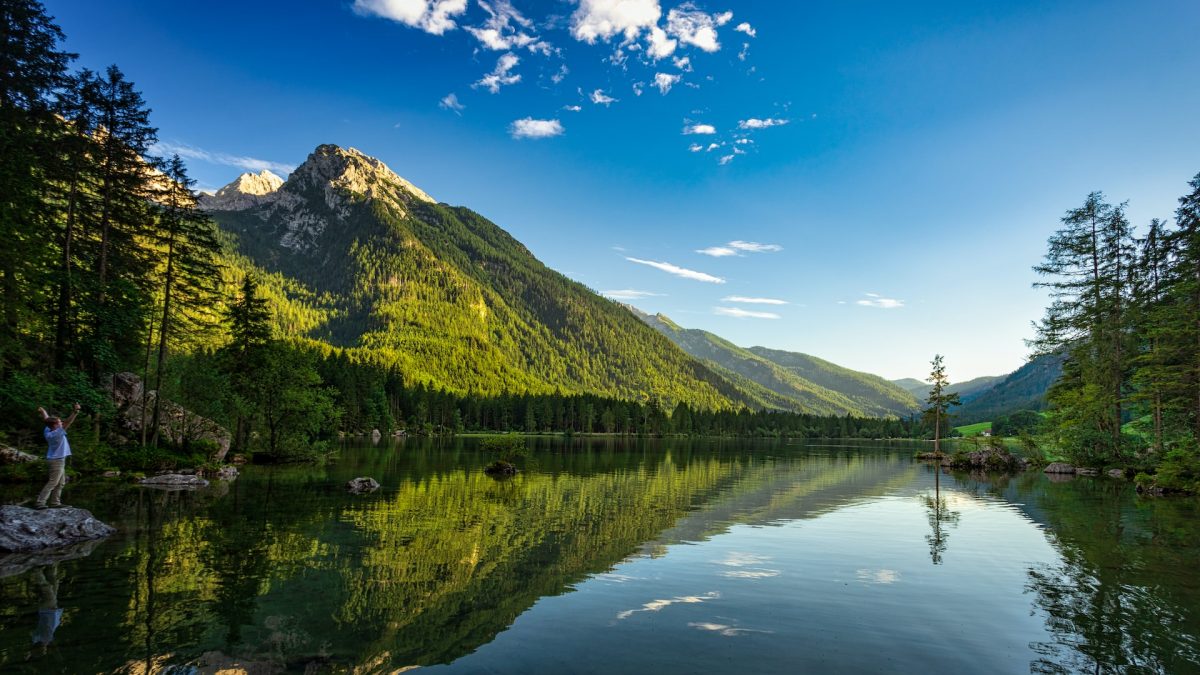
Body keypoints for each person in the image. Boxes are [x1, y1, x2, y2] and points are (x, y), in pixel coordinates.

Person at [34, 403, 80, 509]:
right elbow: (69, 422)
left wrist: (42, 411)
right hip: (56, 461)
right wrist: (75, 412)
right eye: (59, 422)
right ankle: (40, 502)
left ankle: (55, 503)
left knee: (61, 483)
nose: (61, 423)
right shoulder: (56, 434)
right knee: (53, 482)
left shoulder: (48, 429)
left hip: (57, 459)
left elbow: (47, 419)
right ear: (55, 426)